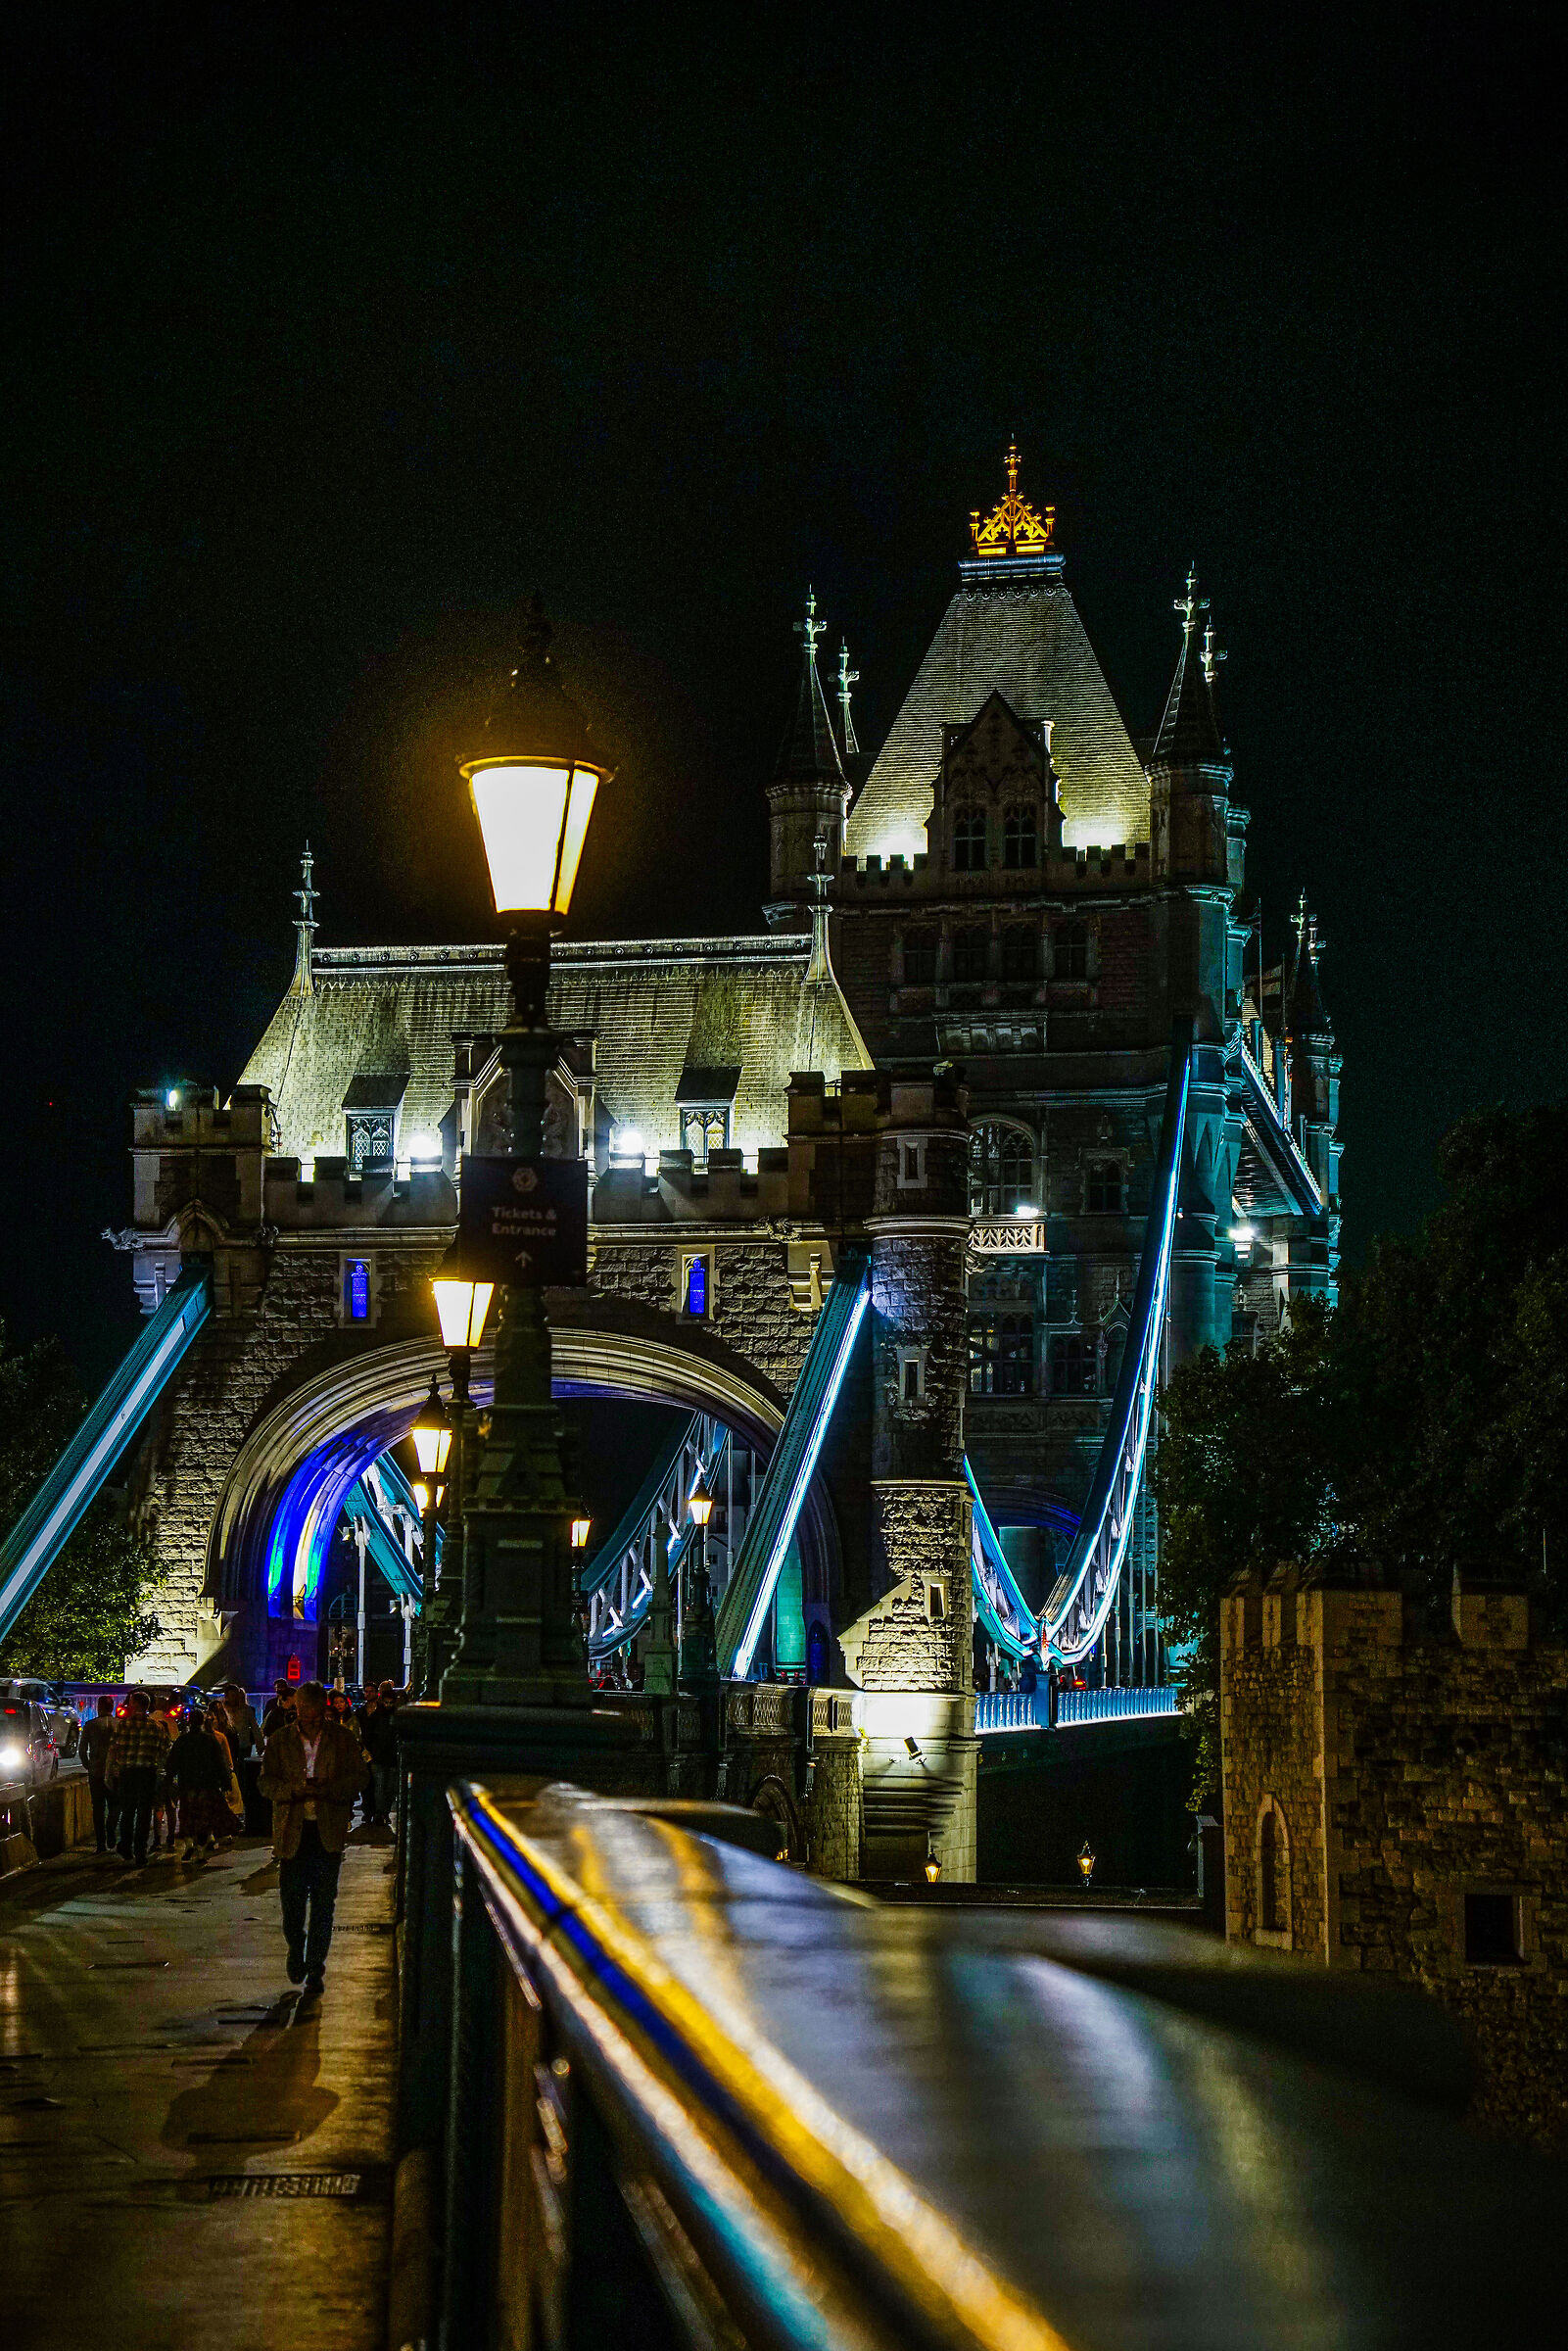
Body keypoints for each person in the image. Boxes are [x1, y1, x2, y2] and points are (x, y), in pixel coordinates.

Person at [259, 1680, 366, 1997]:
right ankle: (296, 1946)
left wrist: (330, 1790)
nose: (313, 1717)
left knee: (323, 1904)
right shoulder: (280, 1741)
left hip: (327, 1832)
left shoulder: (342, 1740)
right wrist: (292, 1791)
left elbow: (360, 1776)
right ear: (298, 1709)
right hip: (293, 1831)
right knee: (291, 1901)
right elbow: (264, 1782)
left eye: (319, 1711)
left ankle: (316, 1967)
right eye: (307, 1710)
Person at [104, 1691, 170, 1864]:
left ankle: (126, 1845)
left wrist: (109, 1772)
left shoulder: (123, 1726)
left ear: (135, 1704)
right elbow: (164, 1750)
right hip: (147, 1773)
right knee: (144, 1813)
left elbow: (113, 1750)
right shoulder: (156, 1727)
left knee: (127, 1811)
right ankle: (140, 1851)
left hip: (127, 1773)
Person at [165, 1705, 230, 1859]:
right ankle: (200, 1850)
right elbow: (220, 1762)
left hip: (187, 1783)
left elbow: (172, 1762)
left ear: (189, 1722)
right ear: (203, 1721)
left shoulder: (182, 1740)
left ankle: (189, 1844)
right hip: (207, 1783)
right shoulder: (210, 1740)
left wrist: (169, 1777)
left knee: (187, 1814)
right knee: (203, 1816)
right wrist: (225, 1780)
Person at [217, 1681, 265, 1833]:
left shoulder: (245, 1710)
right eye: (230, 1695)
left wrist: (259, 1744)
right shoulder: (222, 1709)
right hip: (228, 1746)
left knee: (241, 1776)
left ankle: (240, 1807)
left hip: (243, 1746)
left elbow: (254, 1726)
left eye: (235, 1695)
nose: (232, 1698)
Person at [354, 1682, 400, 1827]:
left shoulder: (386, 1714)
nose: (368, 1694)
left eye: (370, 1691)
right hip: (373, 1754)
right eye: (366, 1691)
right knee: (375, 1786)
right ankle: (376, 1813)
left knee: (386, 1786)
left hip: (385, 1755)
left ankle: (380, 1812)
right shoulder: (366, 1714)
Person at [78, 1695, 118, 1855]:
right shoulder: (120, 1725)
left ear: (98, 1707)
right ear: (112, 1707)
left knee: (98, 1808)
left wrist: (88, 1765)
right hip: (115, 1772)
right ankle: (111, 1829)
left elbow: (82, 1750)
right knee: (115, 1805)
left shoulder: (90, 1725)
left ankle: (101, 1843)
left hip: (96, 1771)